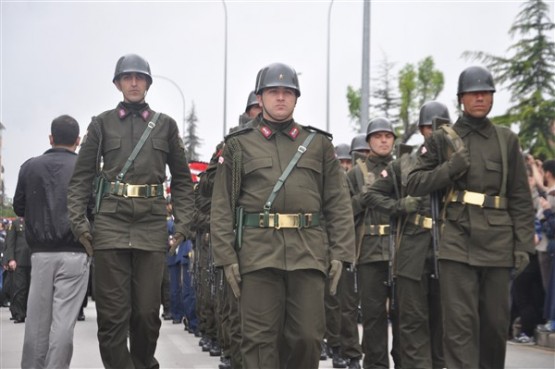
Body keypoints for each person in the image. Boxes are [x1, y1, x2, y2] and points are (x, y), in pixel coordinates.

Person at [210, 62, 355, 369]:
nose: (280, 98)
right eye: (273, 92)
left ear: (296, 98)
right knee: (259, 341)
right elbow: (222, 205)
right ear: (259, 97)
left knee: (307, 337)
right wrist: (226, 257)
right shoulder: (237, 145)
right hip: (257, 256)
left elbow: (339, 203)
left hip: (308, 254)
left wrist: (342, 252)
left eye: (287, 92)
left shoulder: (318, 145)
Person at [67, 53, 195, 369]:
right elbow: (81, 178)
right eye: (128, 77)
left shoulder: (165, 126)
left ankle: (142, 363)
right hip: (110, 224)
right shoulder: (100, 124)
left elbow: (181, 180)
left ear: (148, 83)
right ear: (118, 83)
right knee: (112, 315)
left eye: (140, 77)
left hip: (151, 224)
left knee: (148, 313)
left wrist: (182, 226)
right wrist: (80, 225)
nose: (134, 82)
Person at [406, 66, 535, 368]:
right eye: (473, 93)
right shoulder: (442, 139)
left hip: (498, 244)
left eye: (485, 93)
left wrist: (523, 246)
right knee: (459, 328)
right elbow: (414, 182)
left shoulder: (507, 141)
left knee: (494, 325)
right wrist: (449, 169)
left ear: (492, 98)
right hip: (456, 242)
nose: (480, 97)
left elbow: (520, 198)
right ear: (461, 98)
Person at [366, 101, 449, 369]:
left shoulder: (461, 161)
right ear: (422, 130)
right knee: (413, 321)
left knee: (445, 321)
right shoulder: (405, 164)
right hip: (413, 248)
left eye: (442, 127)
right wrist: (399, 207)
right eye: (429, 127)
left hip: (450, 246)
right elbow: (373, 194)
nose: (435, 133)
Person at [13, 114, 91, 369]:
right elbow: (94, 209)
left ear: (51, 137)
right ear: (78, 141)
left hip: (40, 253)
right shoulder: (86, 169)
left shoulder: (30, 167)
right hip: (75, 252)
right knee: (63, 323)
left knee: (36, 323)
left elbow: (19, 207)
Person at [346, 117, 401, 369]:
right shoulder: (356, 173)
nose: (383, 140)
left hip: (401, 251)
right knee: (373, 316)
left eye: (387, 136)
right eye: (378, 136)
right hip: (369, 251)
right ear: (369, 141)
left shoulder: (403, 168)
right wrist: (365, 199)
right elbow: (344, 210)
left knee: (404, 316)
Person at [3, 217, 31, 323]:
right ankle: (19, 313)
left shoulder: (35, 221)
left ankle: (29, 312)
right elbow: (9, 243)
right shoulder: (15, 223)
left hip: (33, 260)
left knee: (31, 288)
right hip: (19, 261)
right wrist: (10, 259)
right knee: (20, 288)